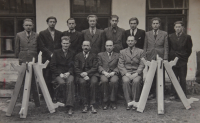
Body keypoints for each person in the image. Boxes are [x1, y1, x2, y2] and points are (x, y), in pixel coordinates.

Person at [143, 17, 168, 99]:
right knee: (151, 75)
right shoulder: (147, 34)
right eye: (154, 23)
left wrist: (165, 58)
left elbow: (166, 47)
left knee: (160, 74)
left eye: (157, 23)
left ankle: (161, 93)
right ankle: (152, 93)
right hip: (150, 56)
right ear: (151, 25)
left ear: (159, 24)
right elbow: (145, 46)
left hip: (160, 56)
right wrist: (145, 57)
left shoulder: (164, 34)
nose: (155, 25)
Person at [15, 18, 39, 101]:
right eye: (26, 25)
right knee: (23, 78)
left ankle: (33, 97)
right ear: (23, 26)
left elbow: (38, 48)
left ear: (33, 26)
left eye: (30, 25)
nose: (28, 27)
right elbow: (17, 48)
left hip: (33, 59)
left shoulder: (36, 35)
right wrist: (19, 58)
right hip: (23, 59)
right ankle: (23, 97)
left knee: (33, 78)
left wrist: (36, 59)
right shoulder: (19, 35)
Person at [38, 16, 62, 99]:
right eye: (50, 22)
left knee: (56, 76)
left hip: (57, 59)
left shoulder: (59, 33)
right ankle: (47, 96)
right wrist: (50, 54)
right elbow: (42, 46)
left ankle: (56, 96)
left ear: (56, 23)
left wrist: (56, 55)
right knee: (47, 77)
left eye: (54, 22)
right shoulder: (42, 33)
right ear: (47, 23)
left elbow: (60, 46)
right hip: (47, 59)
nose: (52, 23)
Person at [118, 36, 145, 110]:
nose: (130, 42)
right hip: (127, 72)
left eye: (132, 41)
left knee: (136, 81)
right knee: (126, 81)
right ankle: (128, 102)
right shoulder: (122, 52)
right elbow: (121, 64)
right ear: (126, 42)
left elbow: (142, 64)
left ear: (135, 42)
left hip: (136, 73)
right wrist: (126, 73)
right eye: (129, 41)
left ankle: (135, 102)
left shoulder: (141, 51)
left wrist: (137, 73)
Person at [50, 36, 75, 115]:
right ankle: (62, 101)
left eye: (67, 43)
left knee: (70, 82)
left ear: (69, 44)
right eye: (64, 43)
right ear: (61, 44)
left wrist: (69, 72)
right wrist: (59, 73)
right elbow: (52, 65)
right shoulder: (56, 52)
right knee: (61, 83)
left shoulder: (72, 53)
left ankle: (69, 106)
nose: (65, 45)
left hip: (68, 73)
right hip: (58, 74)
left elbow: (74, 65)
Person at [168, 21, 193, 99]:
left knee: (182, 78)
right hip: (173, 60)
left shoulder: (187, 37)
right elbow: (168, 48)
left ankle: (183, 95)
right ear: (174, 28)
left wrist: (184, 57)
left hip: (182, 60)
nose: (178, 28)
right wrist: (171, 57)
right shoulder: (170, 36)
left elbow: (189, 50)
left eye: (179, 27)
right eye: (176, 27)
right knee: (173, 77)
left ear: (182, 28)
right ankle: (174, 94)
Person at [74, 41, 99, 114]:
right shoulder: (77, 56)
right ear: (82, 46)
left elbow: (95, 67)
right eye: (84, 45)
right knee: (82, 82)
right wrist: (82, 74)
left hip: (92, 74)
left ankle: (92, 104)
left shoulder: (94, 55)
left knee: (94, 82)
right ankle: (85, 104)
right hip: (81, 75)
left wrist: (87, 73)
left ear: (90, 47)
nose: (86, 47)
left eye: (87, 46)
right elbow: (76, 68)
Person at [98, 40, 119, 110]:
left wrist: (114, 72)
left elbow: (119, 65)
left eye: (110, 46)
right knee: (104, 81)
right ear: (105, 46)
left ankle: (113, 101)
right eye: (107, 46)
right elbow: (99, 65)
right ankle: (105, 101)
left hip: (113, 73)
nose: (109, 47)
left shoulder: (117, 55)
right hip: (104, 73)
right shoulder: (100, 55)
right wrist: (104, 72)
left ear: (113, 46)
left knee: (114, 81)